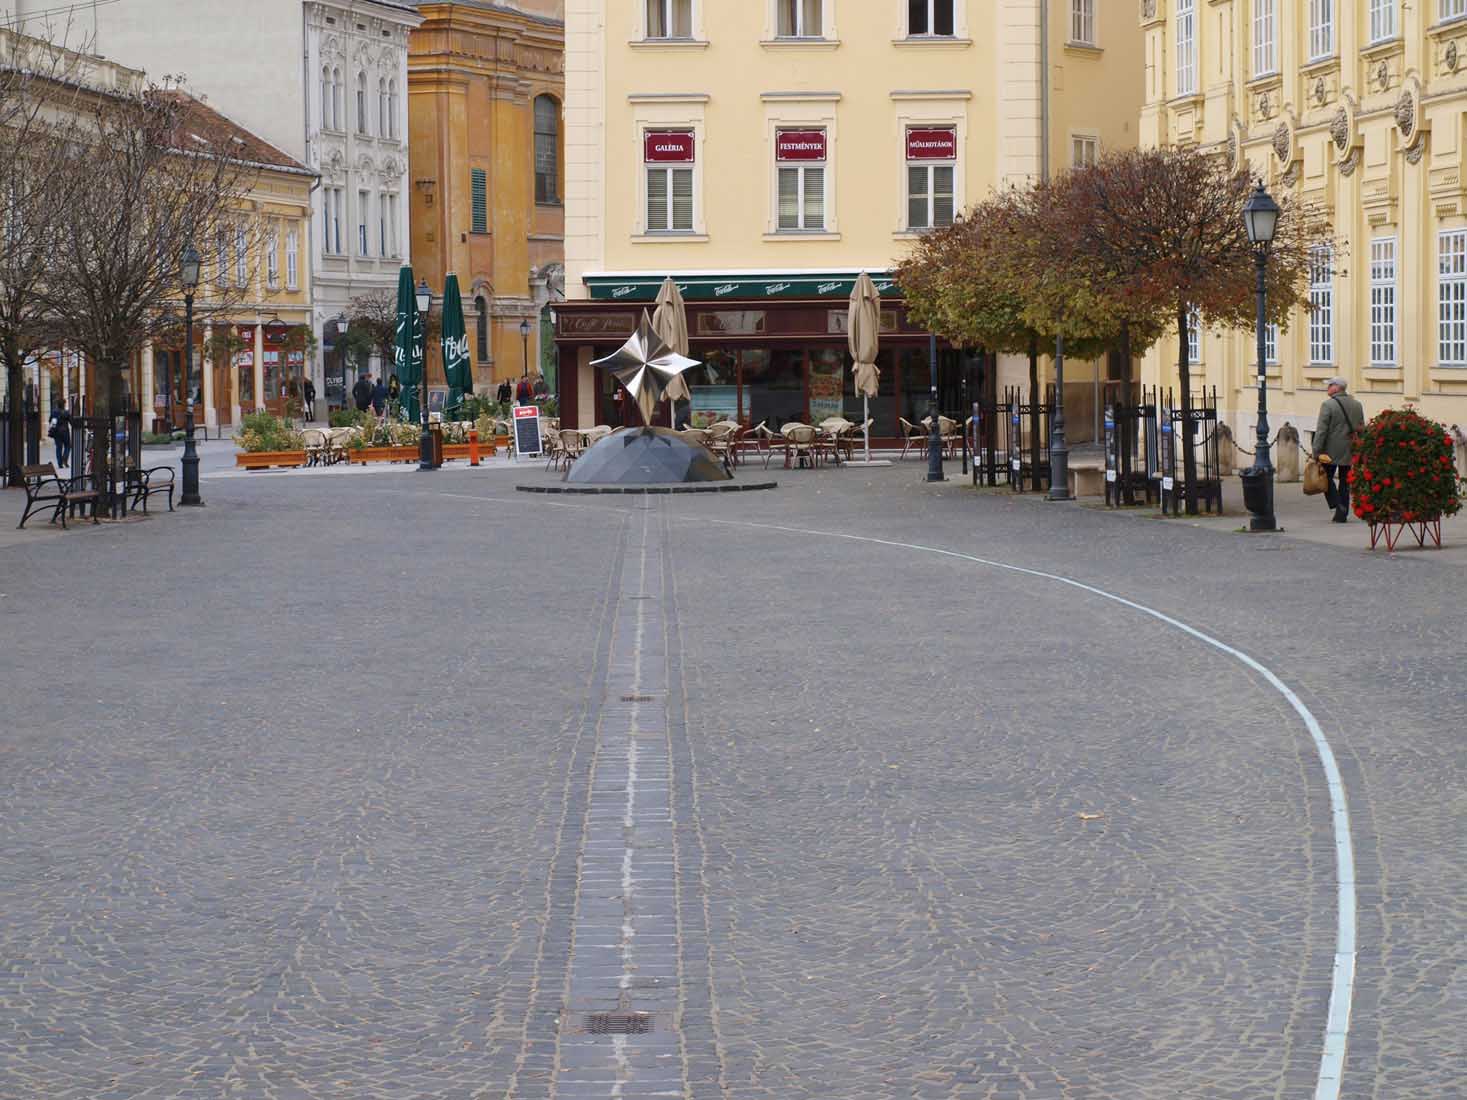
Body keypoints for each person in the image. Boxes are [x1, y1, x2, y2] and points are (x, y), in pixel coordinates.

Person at [1312, 376, 1365, 524]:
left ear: (1336, 388)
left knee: (1326, 478)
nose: (1327, 388)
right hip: (1350, 448)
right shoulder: (1357, 404)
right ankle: (1342, 514)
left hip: (1330, 450)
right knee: (1345, 481)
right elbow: (1361, 427)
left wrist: (1316, 451)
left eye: (1329, 385)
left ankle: (1337, 504)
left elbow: (1321, 431)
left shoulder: (1327, 405)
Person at [48, 404, 72, 469]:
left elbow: (50, 421)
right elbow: (71, 421)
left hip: (56, 432)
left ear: (57, 405)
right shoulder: (66, 412)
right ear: (63, 404)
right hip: (65, 432)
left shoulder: (54, 412)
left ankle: (60, 464)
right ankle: (64, 459)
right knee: (67, 446)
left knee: (58, 448)